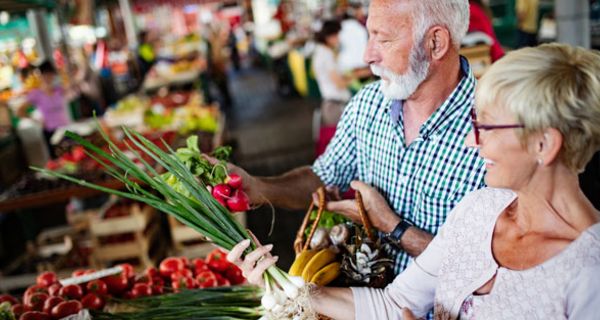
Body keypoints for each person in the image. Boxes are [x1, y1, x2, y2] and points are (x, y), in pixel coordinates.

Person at [229, 43, 600, 319]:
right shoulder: (482, 209)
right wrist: (283, 286)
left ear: (544, 143)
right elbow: (395, 303)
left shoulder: (589, 273)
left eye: (485, 126)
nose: (472, 140)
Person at [212, 0, 485, 278]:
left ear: (436, 43)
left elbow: (483, 270)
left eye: (384, 39)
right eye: (369, 35)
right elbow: (322, 178)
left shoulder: (493, 133)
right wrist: (258, 187)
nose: (368, 55)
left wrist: (392, 226)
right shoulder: (368, 104)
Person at [18, 61, 72, 158]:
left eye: (50, 74)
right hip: (50, 131)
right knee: (58, 160)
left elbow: (72, 84)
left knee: (73, 156)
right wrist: (36, 120)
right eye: (45, 74)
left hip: (65, 129)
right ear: (41, 76)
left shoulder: (59, 89)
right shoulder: (36, 94)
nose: (48, 77)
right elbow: (20, 111)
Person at [312, 20, 354, 126]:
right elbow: (339, 84)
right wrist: (355, 78)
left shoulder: (321, 51)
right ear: (329, 36)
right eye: (337, 35)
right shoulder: (326, 55)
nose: (339, 39)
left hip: (333, 105)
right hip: (336, 107)